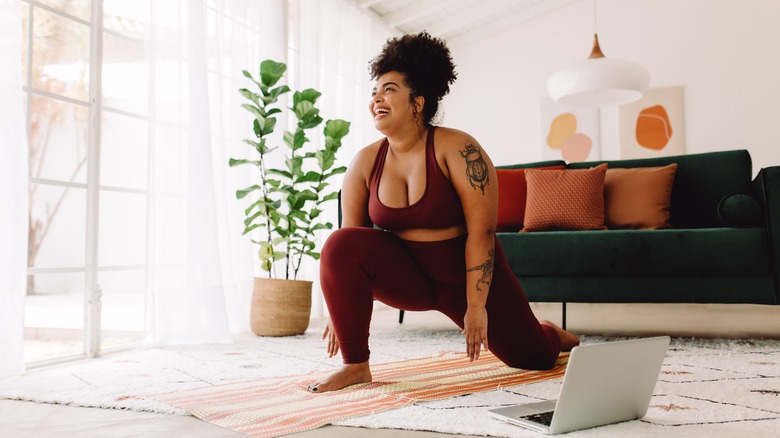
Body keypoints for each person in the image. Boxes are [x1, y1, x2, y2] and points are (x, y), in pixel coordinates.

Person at [308, 31, 579, 393]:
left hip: (462, 275)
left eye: (388, 89)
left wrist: (477, 305)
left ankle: (553, 333)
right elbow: (349, 244)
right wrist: (341, 315)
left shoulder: (458, 148)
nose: (376, 98)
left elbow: (482, 233)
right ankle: (356, 366)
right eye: (374, 92)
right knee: (339, 242)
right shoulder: (364, 163)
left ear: (417, 102)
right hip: (409, 277)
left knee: (534, 358)